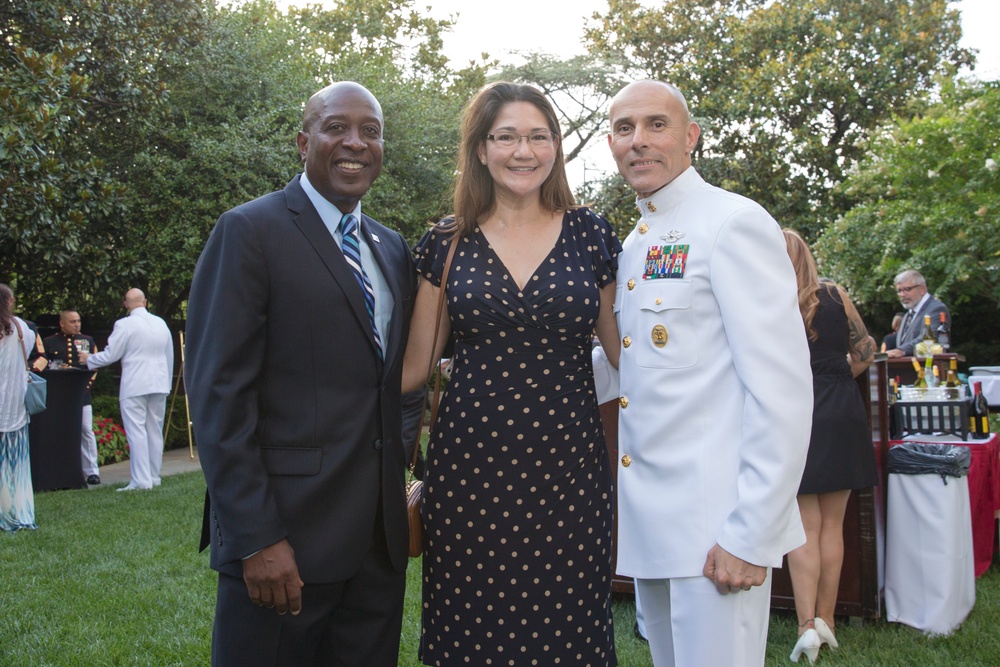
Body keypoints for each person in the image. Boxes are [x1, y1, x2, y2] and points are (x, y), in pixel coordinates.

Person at [185, 81, 417, 667]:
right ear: (303, 140)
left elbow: (398, 380)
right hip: (284, 547)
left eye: (371, 131)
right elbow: (218, 395)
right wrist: (256, 537)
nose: (355, 143)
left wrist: (400, 463)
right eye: (336, 127)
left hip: (377, 552)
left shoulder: (391, 249)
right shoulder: (249, 232)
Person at [401, 81, 621, 666]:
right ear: (480, 149)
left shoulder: (592, 234)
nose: (523, 151)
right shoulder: (447, 241)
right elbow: (414, 369)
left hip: (570, 472)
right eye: (506, 137)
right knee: (473, 635)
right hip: (471, 472)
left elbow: (627, 354)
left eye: (538, 136)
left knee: (569, 633)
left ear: (555, 148)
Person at [596, 80, 813, 667]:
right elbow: (634, 368)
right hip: (656, 527)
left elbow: (783, 393)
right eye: (623, 129)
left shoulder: (732, 223)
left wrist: (751, 531)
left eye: (655, 125)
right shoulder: (635, 244)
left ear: (690, 137)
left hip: (719, 528)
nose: (638, 141)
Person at [783, 229, 878, 663]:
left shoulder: (773, 298)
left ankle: (806, 626)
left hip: (797, 410)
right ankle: (828, 621)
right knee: (833, 526)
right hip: (841, 408)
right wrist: (839, 376)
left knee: (804, 526)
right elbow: (867, 349)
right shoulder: (835, 293)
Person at [83, 289, 173, 491]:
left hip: (135, 383)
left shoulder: (124, 324)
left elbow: (111, 354)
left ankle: (141, 481)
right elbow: (169, 355)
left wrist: (89, 359)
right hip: (159, 382)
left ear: (125, 304)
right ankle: (153, 476)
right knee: (154, 431)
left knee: (137, 432)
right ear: (145, 302)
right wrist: (166, 383)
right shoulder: (161, 323)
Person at [43, 309, 101, 484]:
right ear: (62, 323)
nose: (77, 325)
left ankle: (92, 471)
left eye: (78, 321)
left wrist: (84, 387)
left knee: (86, 429)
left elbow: (95, 367)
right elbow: (44, 365)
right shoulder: (49, 342)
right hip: (58, 395)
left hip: (81, 394)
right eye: (72, 322)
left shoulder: (87, 341)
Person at [0, 284, 37, 531]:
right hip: (15, 405)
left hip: (9, 404)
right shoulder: (23, 329)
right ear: (10, 301)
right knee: (17, 464)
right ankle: (18, 512)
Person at [885, 269, 951, 357]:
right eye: (899, 291)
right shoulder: (907, 315)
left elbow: (930, 339)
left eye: (907, 289)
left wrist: (901, 350)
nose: (902, 294)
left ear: (922, 289)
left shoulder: (936, 309)